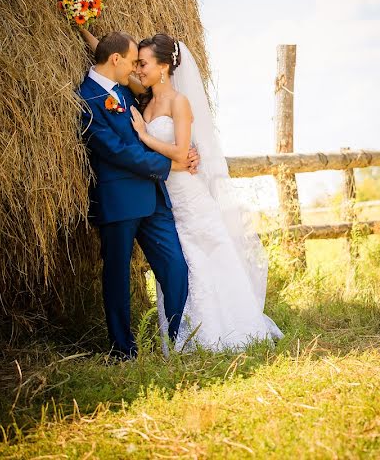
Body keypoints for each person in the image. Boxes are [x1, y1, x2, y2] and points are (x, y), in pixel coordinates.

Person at [82, 28, 283, 351]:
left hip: (171, 195)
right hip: (143, 196)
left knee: (188, 261)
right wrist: (84, 28)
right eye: (135, 63)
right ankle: (147, 343)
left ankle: (197, 333)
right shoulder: (120, 94)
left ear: (163, 66)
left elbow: (178, 151)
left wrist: (150, 139)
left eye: (142, 63)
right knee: (149, 270)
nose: (137, 68)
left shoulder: (162, 97)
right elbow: (111, 65)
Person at [76, 31, 196, 360]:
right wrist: (171, 164)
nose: (135, 69)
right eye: (132, 62)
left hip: (153, 197)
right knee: (117, 276)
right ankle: (123, 350)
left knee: (174, 265)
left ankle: (179, 338)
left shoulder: (126, 90)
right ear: (116, 60)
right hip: (119, 201)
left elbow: (163, 123)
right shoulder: (85, 98)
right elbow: (114, 150)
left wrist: (185, 152)